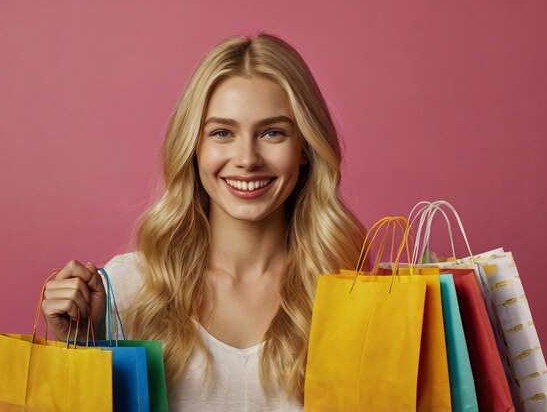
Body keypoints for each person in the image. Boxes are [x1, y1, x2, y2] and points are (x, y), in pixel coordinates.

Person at [42, 33, 364, 411]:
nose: (247, 158)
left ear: (306, 149)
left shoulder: (353, 297)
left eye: (273, 132)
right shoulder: (129, 291)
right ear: (194, 147)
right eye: (222, 133)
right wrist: (80, 343)